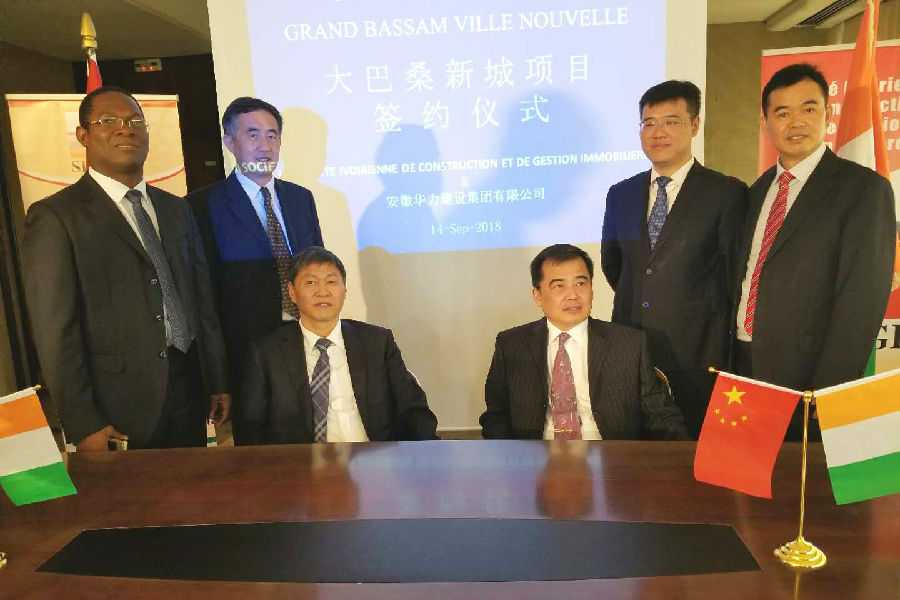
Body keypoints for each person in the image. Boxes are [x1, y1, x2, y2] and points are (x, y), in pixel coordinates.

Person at [23, 86, 229, 451]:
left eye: (135, 122)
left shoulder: (176, 208)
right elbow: (55, 331)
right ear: (83, 135)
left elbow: (201, 299)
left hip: (188, 385)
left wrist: (217, 379)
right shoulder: (56, 217)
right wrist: (83, 422)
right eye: (108, 121)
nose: (125, 129)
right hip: (116, 403)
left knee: (192, 485)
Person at [734, 63, 895, 440]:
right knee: (747, 474)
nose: (796, 122)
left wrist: (831, 386)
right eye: (782, 113)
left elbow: (862, 298)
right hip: (741, 368)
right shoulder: (755, 192)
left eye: (808, 109)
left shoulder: (863, 190)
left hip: (809, 376)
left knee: (804, 476)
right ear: (765, 123)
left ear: (828, 114)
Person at [601, 80, 747, 437]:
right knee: (634, 452)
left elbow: (735, 274)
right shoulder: (621, 193)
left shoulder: (726, 193)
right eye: (648, 123)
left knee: (694, 449)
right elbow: (614, 265)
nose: (658, 132)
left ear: (694, 125)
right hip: (632, 349)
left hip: (697, 354)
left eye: (671, 121)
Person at [187, 97, 323, 443]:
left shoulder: (300, 199)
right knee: (260, 454)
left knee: (317, 442)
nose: (265, 146)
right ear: (229, 142)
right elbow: (204, 301)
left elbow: (318, 271)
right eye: (253, 135)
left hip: (306, 344)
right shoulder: (202, 206)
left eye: (272, 135)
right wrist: (218, 379)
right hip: (247, 358)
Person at [480, 244, 689, 440]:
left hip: (612, 457)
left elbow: (661, 416)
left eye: (581, 283)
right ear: (538, 296)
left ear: (591, 289)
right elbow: (496, 417)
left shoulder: (629, 344)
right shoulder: (511, 345)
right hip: (535, 458)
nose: (572, 295)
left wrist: (682, 456)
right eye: (559, 286)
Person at [242, 247, 439, 444]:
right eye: (311, 282)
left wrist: (429, 454)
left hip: (374, 456)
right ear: (292, 292)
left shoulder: (377, 342)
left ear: (344, 290)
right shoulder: (266, 353)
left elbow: (413, 409)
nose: (323, 292)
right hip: (302, 460)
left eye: (331, 282)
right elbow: (252, 427)